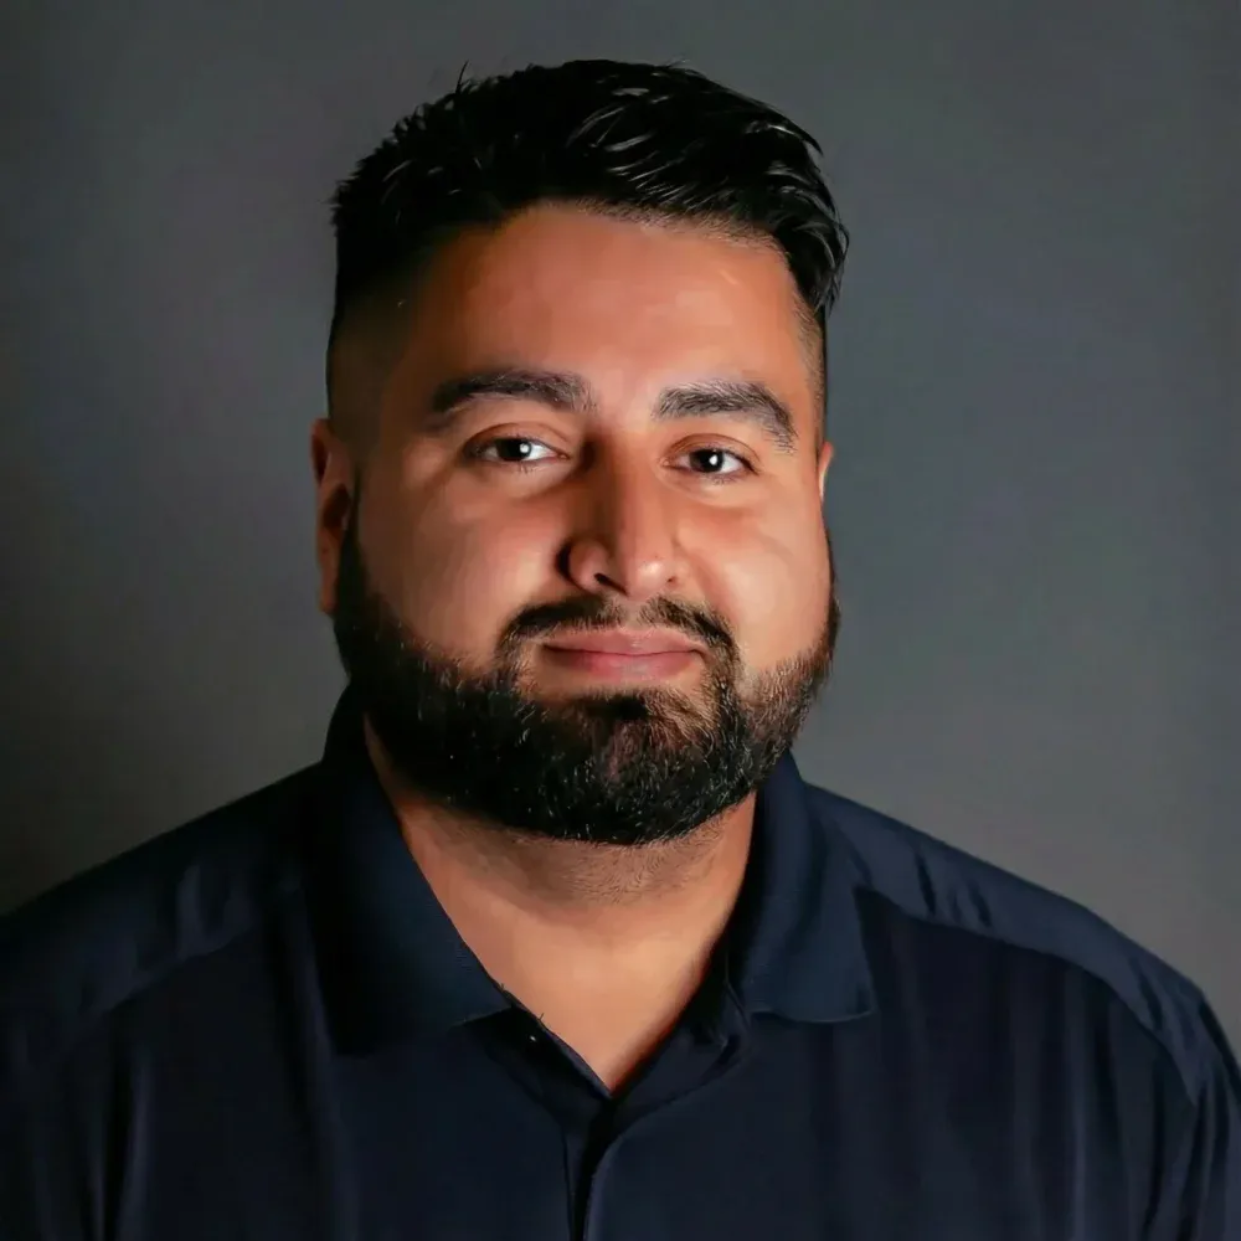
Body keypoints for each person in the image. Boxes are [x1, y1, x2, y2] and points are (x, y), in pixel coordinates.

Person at [0, 57, 1236, 1240]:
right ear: (339, 515)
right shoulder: (47, 1065)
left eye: (711, 459)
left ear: (811, 506)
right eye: (518, 446)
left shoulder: (1110, 1064)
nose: (631, 552)